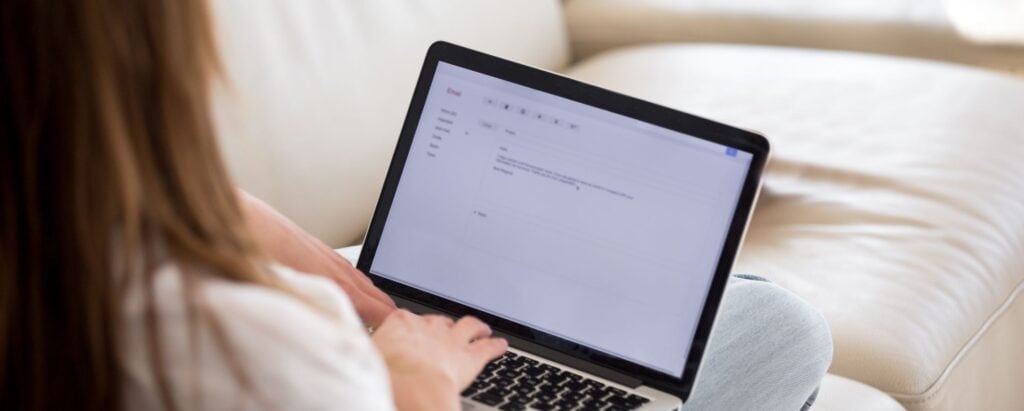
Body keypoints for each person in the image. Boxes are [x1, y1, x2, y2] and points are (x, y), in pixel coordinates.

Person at [0, 1, 832, 410]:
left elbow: (119, 183)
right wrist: (415, 380)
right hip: (381, 380)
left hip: (356, 343)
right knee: (781, 326)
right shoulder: (242, 345)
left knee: (731, 310)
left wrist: (337, 275)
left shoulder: (56, 221)